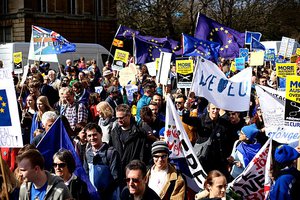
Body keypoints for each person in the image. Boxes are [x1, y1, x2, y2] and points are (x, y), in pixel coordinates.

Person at [83, 123, 122, 199]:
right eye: (89, 136)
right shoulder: (88, 153)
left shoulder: (111, 152)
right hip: (93, 195)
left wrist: (105, 193)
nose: (92, 138)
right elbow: (86, 174)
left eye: (95, 134)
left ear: (101, 134)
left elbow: (116, 177)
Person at [110, 104, 148, 173]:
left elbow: (142, 154)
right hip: (118, 172)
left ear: (129, 116)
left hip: (133, 171)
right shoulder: (114, 132)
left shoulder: (139, 133)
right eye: (117, 118)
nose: (119, 120)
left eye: (121, 118)